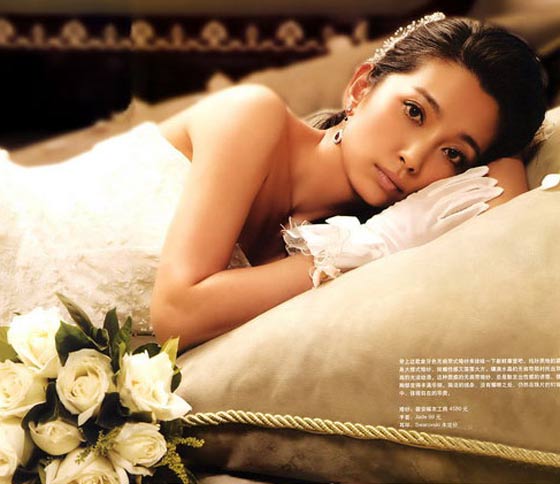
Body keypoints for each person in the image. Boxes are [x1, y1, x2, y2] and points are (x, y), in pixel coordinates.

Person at [0, 14, 546, 353]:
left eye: (453, 153)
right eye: (414, 111)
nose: (413, 158)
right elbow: (178, 312)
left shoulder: (331, 239)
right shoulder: (252, 116)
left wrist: (503, 150)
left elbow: (503, 192)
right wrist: (376, 243)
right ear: (361, 88)